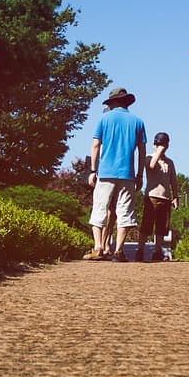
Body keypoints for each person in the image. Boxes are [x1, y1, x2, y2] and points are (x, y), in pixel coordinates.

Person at [84, 87, 146, 262]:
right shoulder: (138, 122)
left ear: (113, 102)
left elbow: (95, 145)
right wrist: (140, 175)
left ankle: (98, 248)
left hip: (105, 172)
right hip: (127, 173)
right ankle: (119, 250)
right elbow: (142, 151)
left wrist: (93, 170)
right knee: (125, 211)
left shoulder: (104, 119)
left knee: (99, 209)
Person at [136, 131, 179, 262]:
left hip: (165, 198)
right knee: (146, 226)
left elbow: (174, 181)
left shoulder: (169, 163)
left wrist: (176, 196)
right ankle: (140, 250)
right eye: (159, 144)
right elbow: (151, 166)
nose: (162, 147)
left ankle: (157, 251)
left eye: (164, 145)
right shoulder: (149, 157)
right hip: (152, 197)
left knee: (162, 227)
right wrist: (158, 152)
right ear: (154, 145)